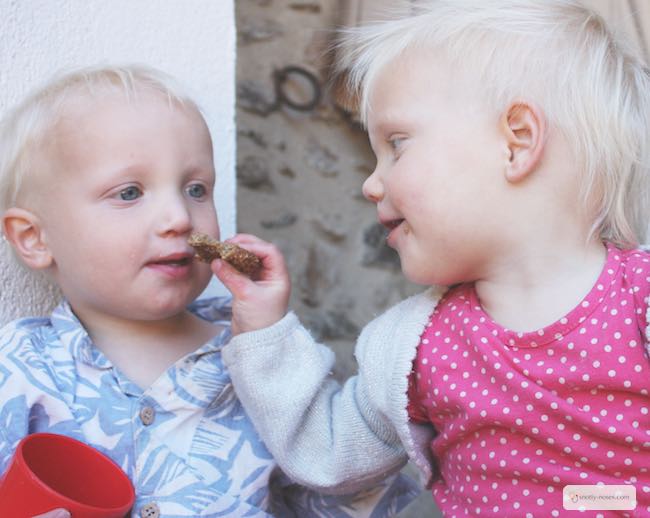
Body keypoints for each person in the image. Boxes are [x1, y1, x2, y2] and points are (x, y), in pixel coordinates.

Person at [212, 1, 650, 516]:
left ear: (517, 143)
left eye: (396, 144)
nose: (370, 183)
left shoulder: (637, 298)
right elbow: (328, 453)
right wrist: (267, 334)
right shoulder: (412, 345)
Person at [0, 64, 418, 517]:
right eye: (129, 193)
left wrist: (269, 337)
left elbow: (344, 494)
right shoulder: (21, 368)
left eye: (196, 188)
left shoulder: (255, 357)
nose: (179, 216)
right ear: (34, 239)